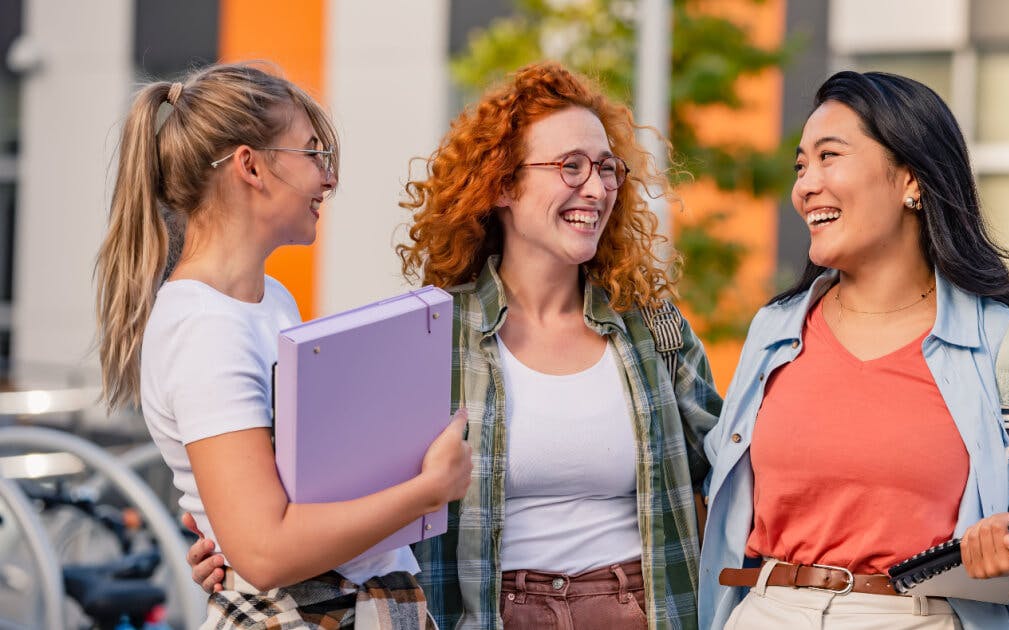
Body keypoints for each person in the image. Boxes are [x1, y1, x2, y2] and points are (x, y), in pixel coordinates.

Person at [187, 60, 722, 629]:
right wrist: (231, 545)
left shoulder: (654, 331)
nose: (596, 186)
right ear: (502, 184)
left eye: (607, 167)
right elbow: (334, 495)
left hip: (639, 611)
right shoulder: (429, 337)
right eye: (570, 166)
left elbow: (729, 482)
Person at [697, 70, 1009, 629]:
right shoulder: (774, 332)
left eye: (828, 157)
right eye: (800, 166)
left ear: (910, 180)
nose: (804, 185)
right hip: (768, 611)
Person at [95, 62, 471, 629]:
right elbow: (266, 552)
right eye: (311, 153)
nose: (328, 178)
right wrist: (427, 491)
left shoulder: (269, 300)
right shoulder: (204, 329)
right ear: (250, 166)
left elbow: (274, 515)